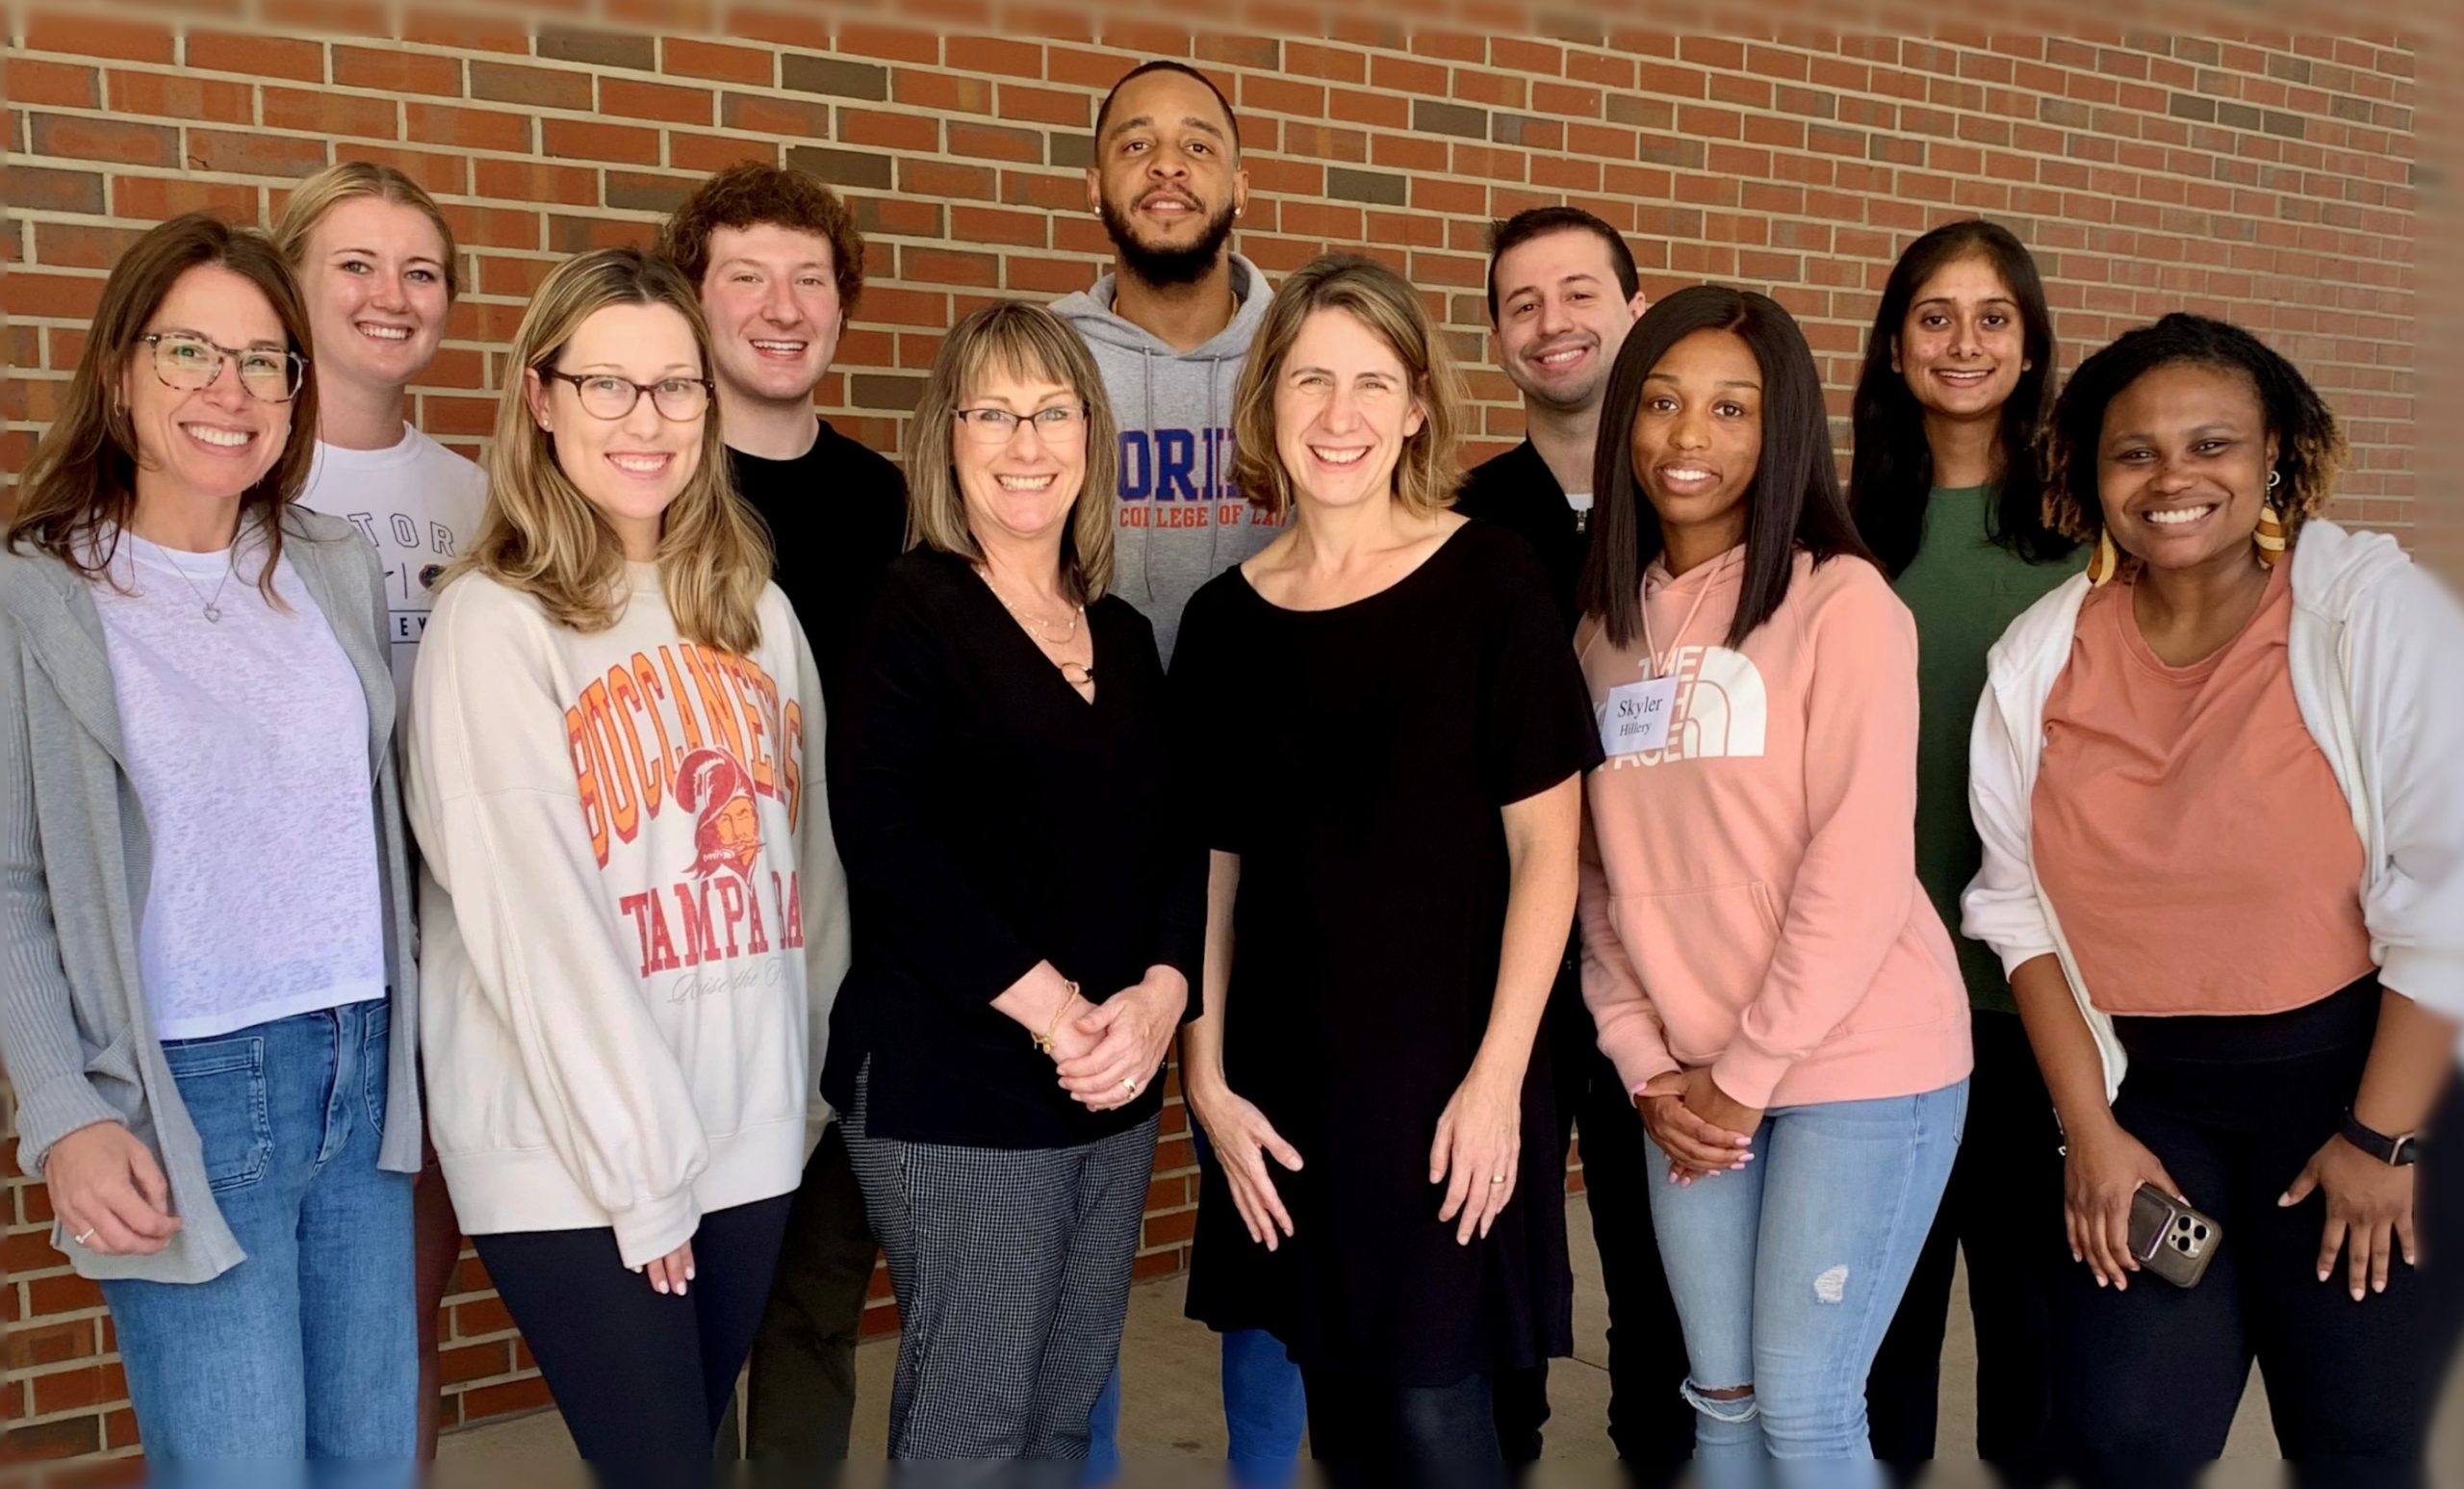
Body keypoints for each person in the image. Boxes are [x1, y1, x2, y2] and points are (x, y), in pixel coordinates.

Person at [1962, 313, 2464, 1488]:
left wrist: (2383, 1135)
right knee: (2124, 1434)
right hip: (2147, 1098)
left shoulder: (2364, 615)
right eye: (2133, 451)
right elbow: (2015, 908)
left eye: (2212, 444)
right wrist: (2088, 1133)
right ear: (2090, 472)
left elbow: (2446, 889)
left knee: (2358, 1439)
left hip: (2352, 1085)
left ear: (2274, 452)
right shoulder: (2037, 658)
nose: (2174, 477)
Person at [402, 246, 849, 1483]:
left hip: (750, 1127)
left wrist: (795, 1090)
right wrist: (646, 1173)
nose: (646, 421)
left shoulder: (750, 602)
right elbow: (532, 928)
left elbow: (808, 871)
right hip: (581, 1167)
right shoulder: (493, 623)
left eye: (676, 387)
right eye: (608, 386)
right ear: (540, 397)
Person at [0, 213, 423, 1458]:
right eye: (190, 351)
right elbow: (11, 879)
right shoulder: (40, 593)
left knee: (373, 1460)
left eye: (263, 360)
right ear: (122, 367)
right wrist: (64, 1109)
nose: (229, 391)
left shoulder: (328, 562)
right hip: (185, 1093)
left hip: (364, 1074)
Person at [1174, 253, 1597, 1488]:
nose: (1339, 415)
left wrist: (1499, 1080)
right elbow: (1211, 870)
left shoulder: (1492, 579)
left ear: (1418, 405)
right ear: (1268, 403)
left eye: (1372, 382)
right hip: (1285, 1088)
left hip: (1450, 1077)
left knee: (1434, 1412)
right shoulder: (1223, 621)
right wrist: (1204, 1074)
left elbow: (1548, 850)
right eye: (1310, 380)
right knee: (1344, 1413)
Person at [1575, 286, 1972, 1489]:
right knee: (1726, 1407)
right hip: (1689, 1084)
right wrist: (1644, 1060)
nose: (1687, 436)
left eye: (1730, 407)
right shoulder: (1598, 632)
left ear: (1781, 427)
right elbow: (1595, 881)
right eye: (1660, 401)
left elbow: (1856, 866)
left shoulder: (1841, 603)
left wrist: (1742, 1079)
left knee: (1805, 1409)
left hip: (1858, 1065)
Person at [818, 300, 1202, 1460]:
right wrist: (1054, 1012)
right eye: (993, 412)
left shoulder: (1125, 636)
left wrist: (1160, 997)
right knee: (973, 1414)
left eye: (1049, 411)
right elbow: (883, 842)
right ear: (948, 437)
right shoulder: (907, 612)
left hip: (1111, 1079)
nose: (1024, 442)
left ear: (1091, 435)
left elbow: (1174, 839)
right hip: (958, 1087)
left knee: (1061, 1401)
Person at [1051, 57, 1303, 1479]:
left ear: (1236, 178)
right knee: (1086, 1202)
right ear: (1097, 182)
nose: (1165, 165)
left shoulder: (1305, 346)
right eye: (1134, 144)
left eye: (1196, 143)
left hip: (1275, 839)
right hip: (1091, 832)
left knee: (1265, 1187)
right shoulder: (1046, 355)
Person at [655, 159, 905, 1463]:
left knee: (813, 1302)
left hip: (844, 964)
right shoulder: (644, 494)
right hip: (691, 967)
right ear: (693, 301)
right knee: (683, 1320)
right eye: (745, 275)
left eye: (810, 279)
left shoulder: (886, 499)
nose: (781, 305)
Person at [1456, 205, 1693, 1476]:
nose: (1554, 322)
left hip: (1669, 945)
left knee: (1663, 1264)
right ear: (1496, 335)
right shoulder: (1464, 520)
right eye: (1522, 303)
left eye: (1579, 292)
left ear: (1634, 306)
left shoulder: (1703, 503)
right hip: (1511, 946)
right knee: (1497, 1237)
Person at [1848, 219, 2076, 1485]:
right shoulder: (1840, 528)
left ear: (2031, 342)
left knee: (2036, 1343)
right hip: (1880, 1003)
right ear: (1892, 347)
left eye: (1994, 316)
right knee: (1883, 1337)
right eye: (1936, 315)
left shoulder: (2083, 527)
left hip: (2040, 1000)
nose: (1965, 341)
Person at [270, 160, 488, 1458]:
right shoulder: (236, 479)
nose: (390, 295)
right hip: (294, 962)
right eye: (354, 263)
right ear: (289, 279)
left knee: (398, 1306)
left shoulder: (477, 494)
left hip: (440, 947)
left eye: (421, 270)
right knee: (270, 1316)